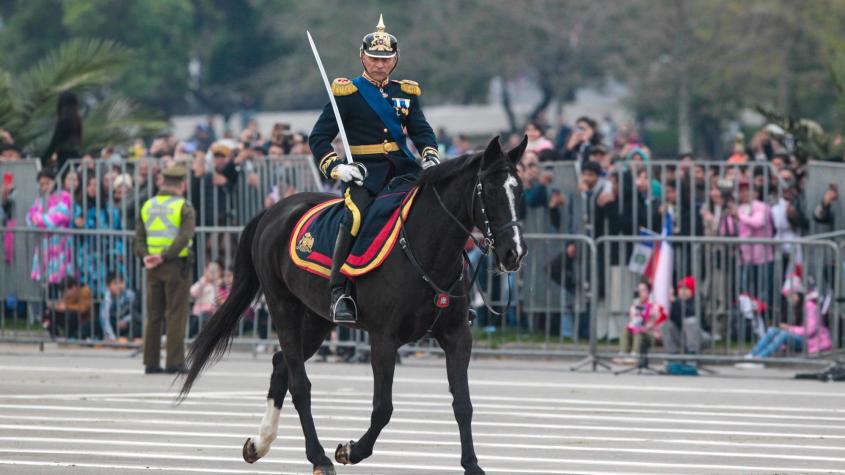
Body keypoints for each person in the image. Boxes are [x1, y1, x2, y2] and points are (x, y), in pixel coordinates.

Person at [308, 14, 440, 322]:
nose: (379, 64)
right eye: (374, 58)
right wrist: (337, 168)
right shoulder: (347, 92)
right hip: (364, 173)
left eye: (386, 59)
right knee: (355, 216)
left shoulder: (406, 92)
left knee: (437, 209)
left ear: (395, 60)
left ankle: (446, 289)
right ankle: (339, 291)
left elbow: (421, 130)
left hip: (403, 169)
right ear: (362, 57)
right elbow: (319, 137)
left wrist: (430, 154)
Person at [134, 165, 196, 374]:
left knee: (154, 315)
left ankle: (150, 362)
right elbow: (184, 237)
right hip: (175, 266)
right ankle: (174, 362)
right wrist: (165, 256)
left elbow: (139, 238)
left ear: (162, 183)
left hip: (152, 266)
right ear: (182, 184)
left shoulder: (148, 205)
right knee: (175, 314)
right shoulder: (183, 206)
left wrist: (146, 256)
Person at [746, 277, 831, 358]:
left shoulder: (810, 306)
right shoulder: (796, 307)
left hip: (812, 341)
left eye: (791, 295)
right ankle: (753, 353)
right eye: (787, 296)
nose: (788, 298)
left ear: (798, 294)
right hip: (800, 337)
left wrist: (789, 328)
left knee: (784, 334)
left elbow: (810, 330)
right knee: (772, 330)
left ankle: (761, 356)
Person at [40, 91, 83, 172]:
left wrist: (43, 159)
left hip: (64, 157)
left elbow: (55, 141)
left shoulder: (64, 121)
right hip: (74, 155)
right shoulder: (77, 120)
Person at [99, 272, 141, 341]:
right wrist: (113, 338)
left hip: (126, 323)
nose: (119, 286)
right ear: (108, 286)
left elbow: (134, 312)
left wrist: (125, 320)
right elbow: (105, 320)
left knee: (135, 322)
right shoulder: (107, 299)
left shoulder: (129, 295)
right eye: (115, 283)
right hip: (113, 324)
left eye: (121, 282)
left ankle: (130, 339)